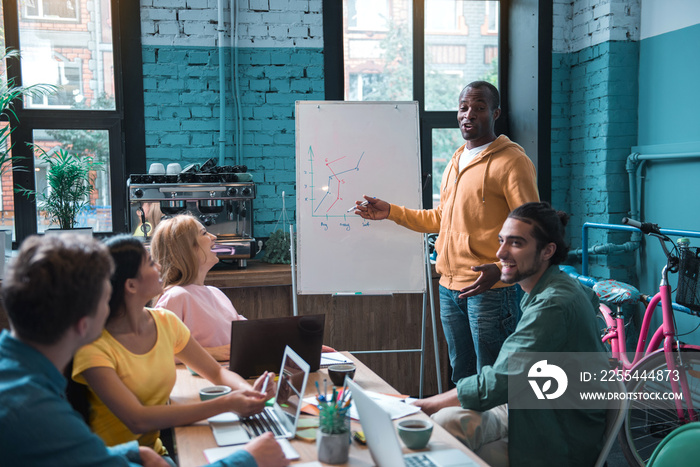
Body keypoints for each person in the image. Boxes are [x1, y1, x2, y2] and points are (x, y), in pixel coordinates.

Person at [0, 234, 286, 467]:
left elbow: (78, 456)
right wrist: (249, 459)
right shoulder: (31, 410)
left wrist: (130, 454)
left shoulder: (18, 380)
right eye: (104, 297)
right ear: (83, 324)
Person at [354, 81, 539, 382]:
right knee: (462, 378)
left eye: (479, 108)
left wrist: (502, 269)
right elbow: (443, 218)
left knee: (495, 381)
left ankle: (504, 431)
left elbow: (532, 226)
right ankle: (466, 430)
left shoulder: (512, 161)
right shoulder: (455, 159)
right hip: (450, 289)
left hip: (490, 291)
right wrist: (391, 212)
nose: (469, 114)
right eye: (464, 108)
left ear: (496, 113)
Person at [412, 202, 607, 466]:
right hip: (535, 403)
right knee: (447, 422)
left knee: (450, 447)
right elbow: (592, 299)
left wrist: (427, 404)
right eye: (501, 241)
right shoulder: (558, 284)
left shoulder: (552, 303)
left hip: (557, 432)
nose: (500, 252)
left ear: (547, 250)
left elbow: (502, 380)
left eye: (516, 243)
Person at [72, 236, 278, 459]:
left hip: (155, 455)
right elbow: (138, 420)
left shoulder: (165, 322)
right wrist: (227, 403)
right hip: (110, 461)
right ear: (131, 285)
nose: (159, 266)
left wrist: (247, 391)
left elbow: (216, 372)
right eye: (150, 263)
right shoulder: (93, 346)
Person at [151, 214, 246, 361]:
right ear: (186, 249)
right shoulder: (176, 296)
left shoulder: (216, 293)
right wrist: (211, 353)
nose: (213, 236)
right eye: (204, 233)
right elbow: (158, 352)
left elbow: (245, 333)